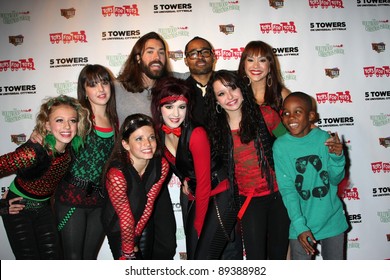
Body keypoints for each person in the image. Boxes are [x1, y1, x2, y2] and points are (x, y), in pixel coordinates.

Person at [151, 76, 241, 260]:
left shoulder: (196, 133)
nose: (176, 113)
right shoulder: (158, 134)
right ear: (159, 108)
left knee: (204, 255)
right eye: (169, 106)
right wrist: (185, 178)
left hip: (221, 193)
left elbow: (204, 183)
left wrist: (199, 223)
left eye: (181, 107)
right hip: (196, 193)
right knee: (194, 256)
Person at [204, 70, 290, 260]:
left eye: (232, 88)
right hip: (248, 200)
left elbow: (291, 145)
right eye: (221, 93)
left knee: (278, 255)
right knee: (255, 258)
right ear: (216, 101)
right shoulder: (215, 131)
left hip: (280, 195)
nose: (229, 97)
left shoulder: (266, 114)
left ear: (242, 88)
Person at [0, 94, 90, 259]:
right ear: (47, 125)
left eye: (72, 120)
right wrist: (1, 205)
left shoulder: (71, 149)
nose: (67, 126)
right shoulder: (33, 152)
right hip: (19, 208)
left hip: (44, 208)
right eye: (59, 120)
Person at [115, 31, 178, 259]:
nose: (157, 56)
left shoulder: (171, 85)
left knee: (166, 245)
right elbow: (85, 106)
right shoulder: (116, 88)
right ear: (138, 57)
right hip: (128, 179)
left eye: (161, 52)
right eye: (150, 51)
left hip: (158, 175)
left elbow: (203, 75)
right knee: (133, 248)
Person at [273, 91, 348, 260]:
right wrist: (300, 225)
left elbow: (335, 179)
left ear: (311, 115)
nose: (291, 117)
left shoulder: (324, 138)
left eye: (297, 112)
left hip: (332, 220)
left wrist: (337, 158)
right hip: (301, 222)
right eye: (286, 113)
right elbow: (287, 189)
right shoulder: (280, 146)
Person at [53, 64, 118, 259]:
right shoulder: (78, 117)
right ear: (85, 90)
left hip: (99, 200)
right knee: (72, 258)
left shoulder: (115, 119)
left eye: (104, 83)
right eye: (93, 84)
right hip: (71, 197)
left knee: (89, 258)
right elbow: (52, 138)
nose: (101, 89)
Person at [101, 114, 170, 260]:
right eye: (139, 139)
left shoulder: (161, 165)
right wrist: (128, 251)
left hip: (142, 221)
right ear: (126, 144)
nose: (147, 143)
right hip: (118, 226)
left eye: (151, 137)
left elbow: (149, 204)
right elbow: (125, 220)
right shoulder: (116, 173)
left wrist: (136, 237)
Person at [237, 40, 290, 113]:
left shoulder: (282, 95)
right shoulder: (237, 93)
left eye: (262, 60)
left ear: (270, 66)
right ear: (244, 65)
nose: (256, 66)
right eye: (250, 60)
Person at [184, 36, 216, 125]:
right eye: (193, 54)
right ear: (186, 61)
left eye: (205, 52)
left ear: (213, 57)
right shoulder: (181, 91)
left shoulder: (227, 86)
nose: (200, 57)